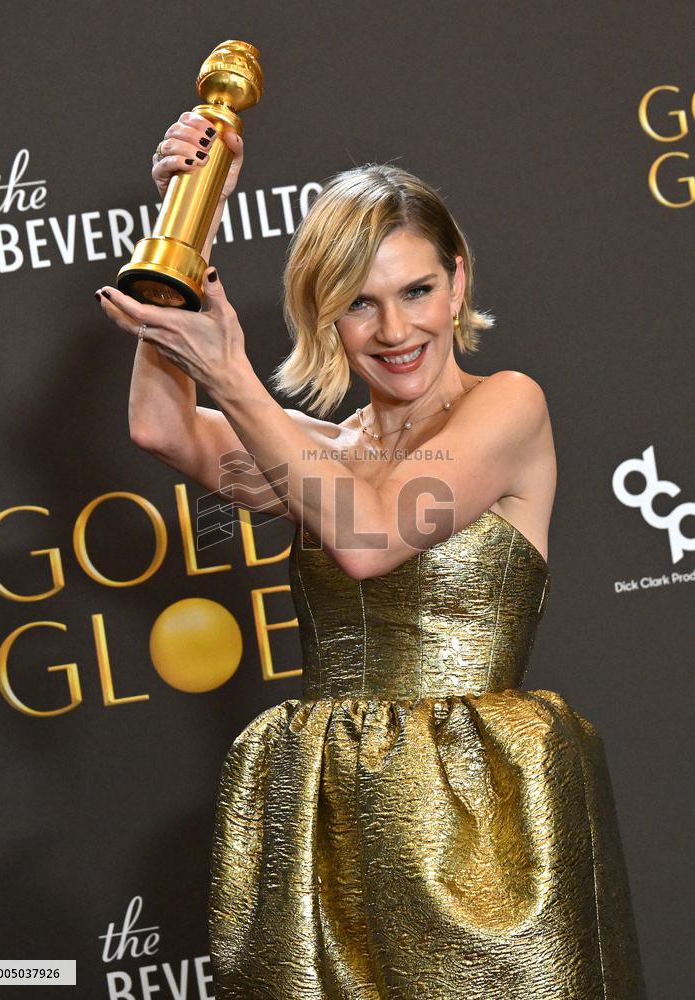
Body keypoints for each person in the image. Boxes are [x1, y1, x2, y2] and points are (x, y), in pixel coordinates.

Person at [96, 111, 646, 999]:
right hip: (330, 827)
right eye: (359, 301)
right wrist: (186, 220)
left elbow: (368, 538)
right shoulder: (323, 456)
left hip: (478, 833)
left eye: (418, 290)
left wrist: (234, 378)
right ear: (326, 313)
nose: (395, 329)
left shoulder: (509, 405)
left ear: (458, 282)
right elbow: (159, 425)